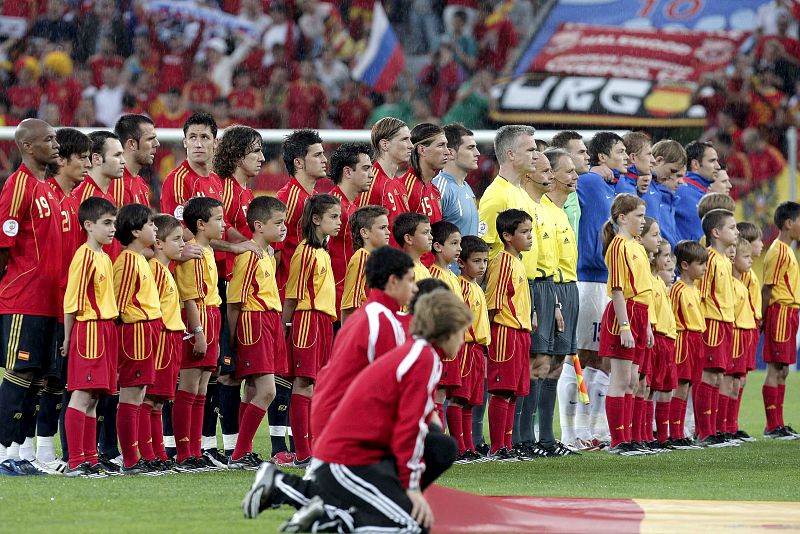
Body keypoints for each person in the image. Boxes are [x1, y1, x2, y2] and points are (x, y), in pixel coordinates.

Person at [243, 290, 469, 533]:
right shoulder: (422, 358)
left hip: (358, 452)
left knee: (440, 452)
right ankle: (325, 513)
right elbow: (409, 427)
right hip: (350, 457)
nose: (464, 340)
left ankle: (326, 512)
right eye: (461, 332)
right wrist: (412, 489)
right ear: (447, 331)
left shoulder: (421, 354)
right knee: (412, 524)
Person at [0, 119, 63, 476]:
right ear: (27, 146)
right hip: (23, 300)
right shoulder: (18, 185)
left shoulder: (47, 188)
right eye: (49, 140)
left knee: (38, 379)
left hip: (48, 302)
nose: (56, 145)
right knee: (18, 375)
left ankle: (17, 454)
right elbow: (3, 245)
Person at [311, 245, 416, 439]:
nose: (415, 288)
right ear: (393, 281)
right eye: (410, 280)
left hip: (330, 422)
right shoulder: (381, 321)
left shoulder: (370, 314)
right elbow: (388, 390)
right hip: (343, 430)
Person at [41, 128, 91, 473]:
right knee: (38, 379)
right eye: (83, 157)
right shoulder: (45, 196)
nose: (87, 164)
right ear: (62, 159)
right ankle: (31, 450)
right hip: (43, 303)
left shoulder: (73, 201)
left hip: (67, 306)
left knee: (59, 381)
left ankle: (48, 451)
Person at [215, 125, 266, 460]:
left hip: (242, 289)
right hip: (221, 286)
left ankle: (235, 448)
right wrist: (241, 247)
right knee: (224, 370)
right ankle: (220, 444)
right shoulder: (227, 190)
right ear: (235, 155)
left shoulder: (247, 193)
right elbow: (208, 235)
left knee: (238, 372)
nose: (262, 158)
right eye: (254, 151)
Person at [227, 196, 289, 468]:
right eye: (278, 223)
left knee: (252, 392)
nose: (284, 228)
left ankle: (244, 451)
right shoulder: (248, 254)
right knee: (268, 392)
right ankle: (239, 453)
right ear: (259, 226)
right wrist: (230, 342)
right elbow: (234, 301)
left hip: (270, 320)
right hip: (254, 322)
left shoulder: (267, 254)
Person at [576, 132, 629, 446]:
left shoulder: (612, 186)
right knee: (582, 356)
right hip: (590, 279)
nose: (624, 157)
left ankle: (596, 429)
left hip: (605, 282)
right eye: (619, 151)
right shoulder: (588, 183)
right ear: (602, 157)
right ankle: (576, 430)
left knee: (604, 358)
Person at [282, 194, 341, 467]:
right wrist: (284, 331)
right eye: (333, 217)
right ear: (316, 219)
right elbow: (292, 295)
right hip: (307, 321)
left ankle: (315, 447)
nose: (339, 222)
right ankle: (303, 451)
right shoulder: (304, 252)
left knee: (316, 385)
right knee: (303, 383)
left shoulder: (321, 251)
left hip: (324, 322)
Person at [62, 197, 118, 478]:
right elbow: (71, 302)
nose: (112, 229)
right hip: (89, 330)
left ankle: (90, 458)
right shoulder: (83, 256)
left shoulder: (105, 257)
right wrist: (68, 339)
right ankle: (74, 461)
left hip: (105, 330)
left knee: (94, 397)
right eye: (106, 223)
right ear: (88, 225)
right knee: (82, 395)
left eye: (114, 223)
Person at [517, 149, 567, 457]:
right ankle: (521, 437)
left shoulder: (549, 209)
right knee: (532, 364)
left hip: (551, 286)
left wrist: (557, 300)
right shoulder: (523, 204)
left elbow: (552, 260)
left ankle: (540, 437)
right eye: (545, 170)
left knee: (550, 363)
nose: (550, 176)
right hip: (530, 286)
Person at [598, 194, 653, 456]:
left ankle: (629, 437)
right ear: (622, 218)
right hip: (626, 313)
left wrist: (648, 325)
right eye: (638, 216)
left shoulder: (637, 246)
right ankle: (618, 440)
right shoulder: (619, 246)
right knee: (621, 378)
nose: (642, 221)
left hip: (640, 313)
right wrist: (624, 326)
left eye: (643, 216)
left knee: (633, 379)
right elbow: (618, 290)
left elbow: (645, 289)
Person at [173, 196, 225, 469]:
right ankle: (184, 453)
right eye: (218, 219)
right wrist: (198, 332)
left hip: (212, 315)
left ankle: (195, 450)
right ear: (201, 224)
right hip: (198, 318)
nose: (223, 224)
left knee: (203, 386)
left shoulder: (207, 250)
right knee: (190, 385)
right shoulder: (191, 253)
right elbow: (190, 297)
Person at [111, 204, 162, 474]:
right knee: (131, 394)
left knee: (140, 393)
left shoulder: (140, 258)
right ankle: (130, 459)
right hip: (136, 332)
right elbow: (118, 305)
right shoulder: (128, 261)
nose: (155, 229)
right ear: (134, 231)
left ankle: (137, 455)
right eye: (150, 225)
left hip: (147, 330)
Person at [541, 149, 582, 451]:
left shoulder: (561, 209)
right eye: (568, 171)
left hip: (570, 287)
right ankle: (532, 435)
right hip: (552, 288)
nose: (575, 176)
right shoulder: (541, 210)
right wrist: (554, 302)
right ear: (551, 174)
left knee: (557, 363)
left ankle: (548, 436)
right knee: (542, 363)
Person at [485, 209, 534, 460]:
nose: (530, 237)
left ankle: (507, 445)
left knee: (514, 391)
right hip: (505, 332)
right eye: (524, 232)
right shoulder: (502, 262)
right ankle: (497, 447)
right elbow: (493, 302)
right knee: (502, 390)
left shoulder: (518, 262)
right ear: (506, 235)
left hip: (520, 333)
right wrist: (489, 338)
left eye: (530, 232)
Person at [695, 209, 739, 446]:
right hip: (711, 322)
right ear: (716, 232)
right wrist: (702, 325)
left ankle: (713, 430)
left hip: (725, 322)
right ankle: (704, 432)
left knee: (718, 375)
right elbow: (700, 295)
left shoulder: (724, 260)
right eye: (731, 227)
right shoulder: (710, 259)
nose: (736, 231)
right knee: (709, 375)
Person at [146, 214, 185, 467]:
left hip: (171, 337)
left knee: (159, 400)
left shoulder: (165, 269)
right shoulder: (155, 271)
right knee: (150, 399)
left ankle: (159, 454)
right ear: (159, 243)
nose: (183, 244)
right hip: (160, 338)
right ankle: (147, 455)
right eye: (177, 239)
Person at [761, 201, 800, 440]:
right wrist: (764, 318)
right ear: (789, 223)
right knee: (776, 368)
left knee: (783, 369)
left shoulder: (788, 249)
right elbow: (768, 288)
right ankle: (772, 426)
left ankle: (778, 423)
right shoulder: (778, 251)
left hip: (790, 312)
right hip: (780, 312)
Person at [451, 236, 490, 462]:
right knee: (459, 398)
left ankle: (468, 447)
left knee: (470, 400)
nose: (482, 266)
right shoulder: (461, 285)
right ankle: (458, 447)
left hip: (477, 349)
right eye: (476, 261)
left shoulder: (476, 286)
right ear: (462, 263)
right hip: (465, 346)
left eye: (484, 261)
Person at [668, 241, 708, 448]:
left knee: (689, 385)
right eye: (700, 264)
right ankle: (674, 433)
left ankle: (680, 430)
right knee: (681, 386)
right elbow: (671, 316)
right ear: (685, 265)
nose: (704, 268)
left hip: (697, 339)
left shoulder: (696, 289)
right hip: (683, 339)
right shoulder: (677, 289)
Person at [328, 142, 374, 313]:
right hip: (337, 304)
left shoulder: (352, 208)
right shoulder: (332, 209)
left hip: (352, 300)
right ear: (347, 172)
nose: (371, 175)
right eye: (365, 168)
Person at [428, 220, 464, 425]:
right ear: (438, 246)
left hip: (452, 344)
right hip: (440, 344)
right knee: (436, 393)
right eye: (454, 243)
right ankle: (433, 442)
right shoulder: (433, 275)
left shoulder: (452, 275)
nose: (459, 248)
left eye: (459, 243)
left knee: (443, 393)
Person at [358, 117, 412, 248]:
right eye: (404, 139)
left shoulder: (399, 184)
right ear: (385, 144)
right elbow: (358, 230)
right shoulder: (370, 181)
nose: (411, 145)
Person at [73, 131, 127, 261]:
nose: (123, 161)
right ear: (96, 158)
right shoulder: (83, 198)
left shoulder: (108, 196)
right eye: (117, 155)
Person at [733, 221, 764, 441]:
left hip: (750, 326)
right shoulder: (740, 273)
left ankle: (731, 424)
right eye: (757, 241)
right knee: (733, 378)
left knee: (741, 378)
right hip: (740, 326)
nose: (761, 245)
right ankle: (725, 425)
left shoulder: (749, 271)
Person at [403, 123, 449, 265]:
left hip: (432, 274)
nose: (447, 151)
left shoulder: (434, 190)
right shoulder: (406, 188)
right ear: (422, 150)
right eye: (441, 145)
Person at [648, 239, 678, 448]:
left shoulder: (660, 282)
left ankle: (662, 437)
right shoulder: (651, 282)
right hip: (656, 338)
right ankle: (645, 435)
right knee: (649, 387)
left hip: (668, 339)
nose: (669, 261)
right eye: (666, 256)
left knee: (666, 387)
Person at [725, 238, 756, 440]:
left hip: (745, 333)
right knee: (729, 381)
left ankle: (731, 426)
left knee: (738, 381)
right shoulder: (731, 284)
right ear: (733, 257)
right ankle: (722, 427)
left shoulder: (741, 283)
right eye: (746, 256)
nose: (751, 261)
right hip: (735, 333)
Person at [340, 206, 391, 324]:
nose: (388, 232)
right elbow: (350, 306)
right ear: (364, 232)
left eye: (387, 227)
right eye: (382, 228)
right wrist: (348, 339)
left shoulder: (381, 260)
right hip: (364, 327)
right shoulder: (362, 258)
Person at [433, 124, 480, 242]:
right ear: (450, 153)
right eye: (470, 148)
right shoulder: (438, 189)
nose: (477, 153)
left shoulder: (467, 187)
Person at [675, 141, 722, 242]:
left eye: (717, 161)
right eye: (712, 161)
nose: (718, 166)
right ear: (695, 164)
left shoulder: (704, 194)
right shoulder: (680, 190)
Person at [114, 114, 158, 206]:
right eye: (150, 139)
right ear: (132, 144)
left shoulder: (140, 182)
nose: (157, 144)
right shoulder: (117, 185)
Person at [651, 140, 687, 247]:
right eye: (674, 171)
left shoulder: (669, 199)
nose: (681, 182)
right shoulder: (645, 191)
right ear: (659, 161)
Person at [393, 212, 434, 289]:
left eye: (430, 232)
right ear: (408, 238)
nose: (431, 237)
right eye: (425, 232)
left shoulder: (424, 269)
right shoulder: (403, 271)